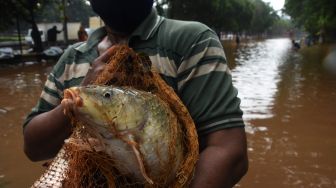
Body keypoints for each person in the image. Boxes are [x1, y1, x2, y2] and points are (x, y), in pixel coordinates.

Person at [23, 0, 248, 187]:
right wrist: (78, 99)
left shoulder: (191, 40)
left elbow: (230, 151)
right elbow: (33, 148)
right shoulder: (72, 57)